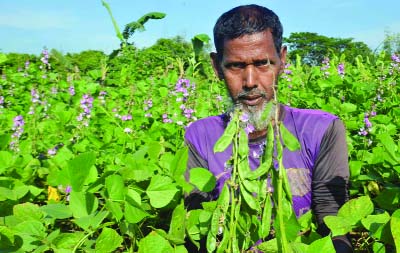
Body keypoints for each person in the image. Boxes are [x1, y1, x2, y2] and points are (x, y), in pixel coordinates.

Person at [184, 4, 352, 253]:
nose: (250, 82)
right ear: (217, 67)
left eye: (263, 63)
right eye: (235, 66)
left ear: (282, 60)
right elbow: (195, 226)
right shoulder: (199, 136)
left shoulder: (322, 129)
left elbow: (333, 218)